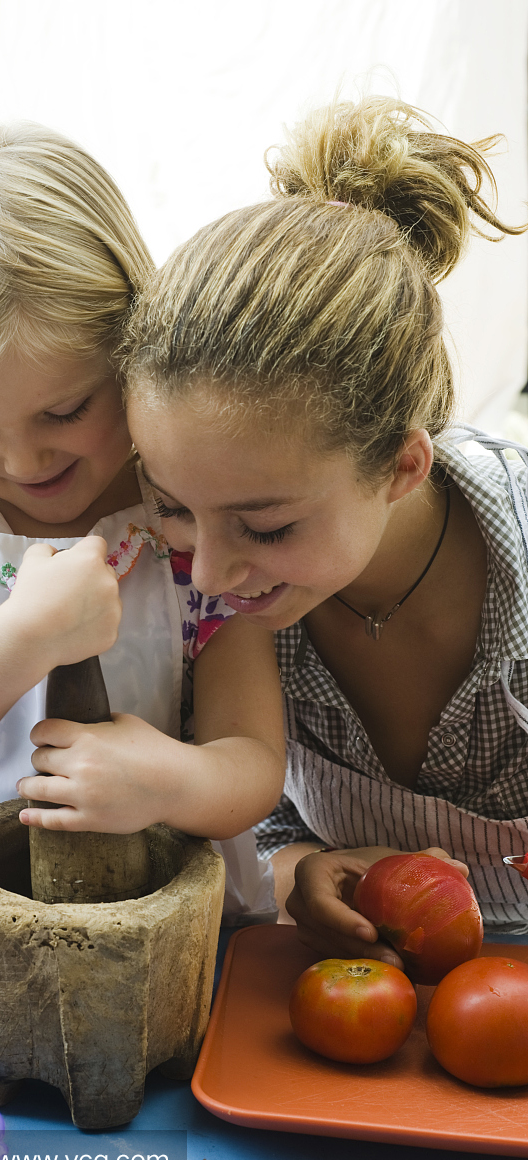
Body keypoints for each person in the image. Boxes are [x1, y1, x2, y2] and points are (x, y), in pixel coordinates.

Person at [0, 123, 285, 923]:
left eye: (65, 409)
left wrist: (167, 782)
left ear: (132, 348)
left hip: (163, 913)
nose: (23, 458)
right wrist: (27, 635)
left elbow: (251, 763)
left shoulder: (186, 514)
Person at [119, 96, 528, 965]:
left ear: (402, 468)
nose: (209, 574)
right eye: (173, 504)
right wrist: (300, 871)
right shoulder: (213, 608)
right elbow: (253, 824)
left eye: (264, 527)